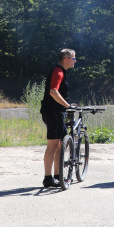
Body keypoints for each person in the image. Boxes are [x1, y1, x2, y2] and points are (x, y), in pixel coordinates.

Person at [40, 49, 77, 187]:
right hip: (53, 112)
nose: (75, 61)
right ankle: (48, 178)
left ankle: (57, 176)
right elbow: (53, 92)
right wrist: (68, 106)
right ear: (66, 59)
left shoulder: (62, 72)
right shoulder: (58, 71)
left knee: (62, 144)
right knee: (53, 145)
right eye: (74, 58)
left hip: (57, 112)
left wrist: (67, 106)